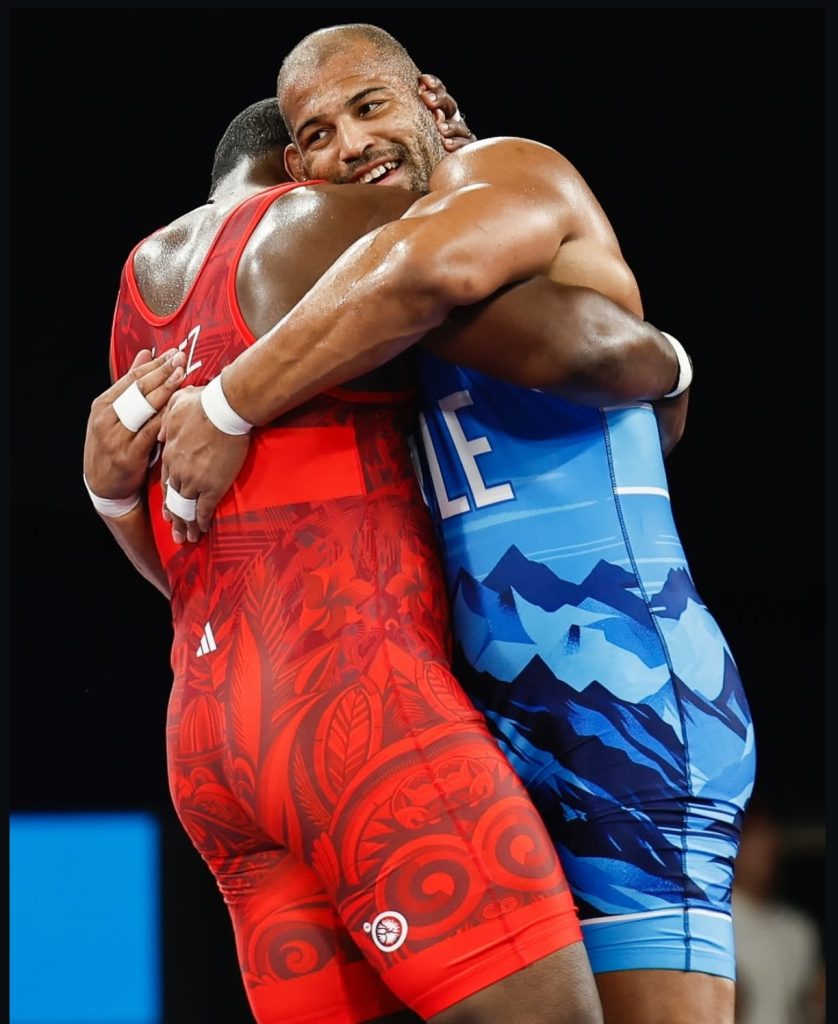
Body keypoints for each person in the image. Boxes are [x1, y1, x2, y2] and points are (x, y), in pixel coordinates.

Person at [157, 23, 754, 1024]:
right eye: (319, 132)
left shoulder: (509, 174)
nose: (350, 143)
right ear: (299, 167)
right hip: (487, 715)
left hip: (627, 702)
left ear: (433, 102)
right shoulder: (351, 310)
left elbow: (431, 274)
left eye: (370, 107)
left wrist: (226, 403)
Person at [731, 798, 826, 1024]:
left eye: (769, 836)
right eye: (754, 838)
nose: (764, 849)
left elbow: (811, 1007)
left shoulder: (798, 927)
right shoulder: (713, 924)